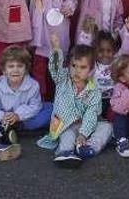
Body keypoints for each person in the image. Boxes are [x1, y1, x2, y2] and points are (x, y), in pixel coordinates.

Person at [38, 33, 112, 168]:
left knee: (106, 127)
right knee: (67, 134)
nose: (77, 71)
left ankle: (89, 148)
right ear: (69, 65)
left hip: (85, 125)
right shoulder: (63, 78)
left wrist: (83, 134)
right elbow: (54, 68)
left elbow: (91, 114)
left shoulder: (94, 90)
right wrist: (56, 49)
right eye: (74, 65)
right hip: (65, 124)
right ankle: (65, 152)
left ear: (91, 70)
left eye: (82, 67)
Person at [0, 46, 52, 161]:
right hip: (4, 119)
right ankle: (10, 131)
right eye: (11, 66)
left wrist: (18, 115)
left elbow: (35, 106)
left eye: (20, 66)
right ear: (4, 70)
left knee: (50, 108)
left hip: (24, 119)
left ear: (26, 69)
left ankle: (16, 128)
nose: (15, 70)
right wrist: (2, 117)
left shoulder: (33, 84)